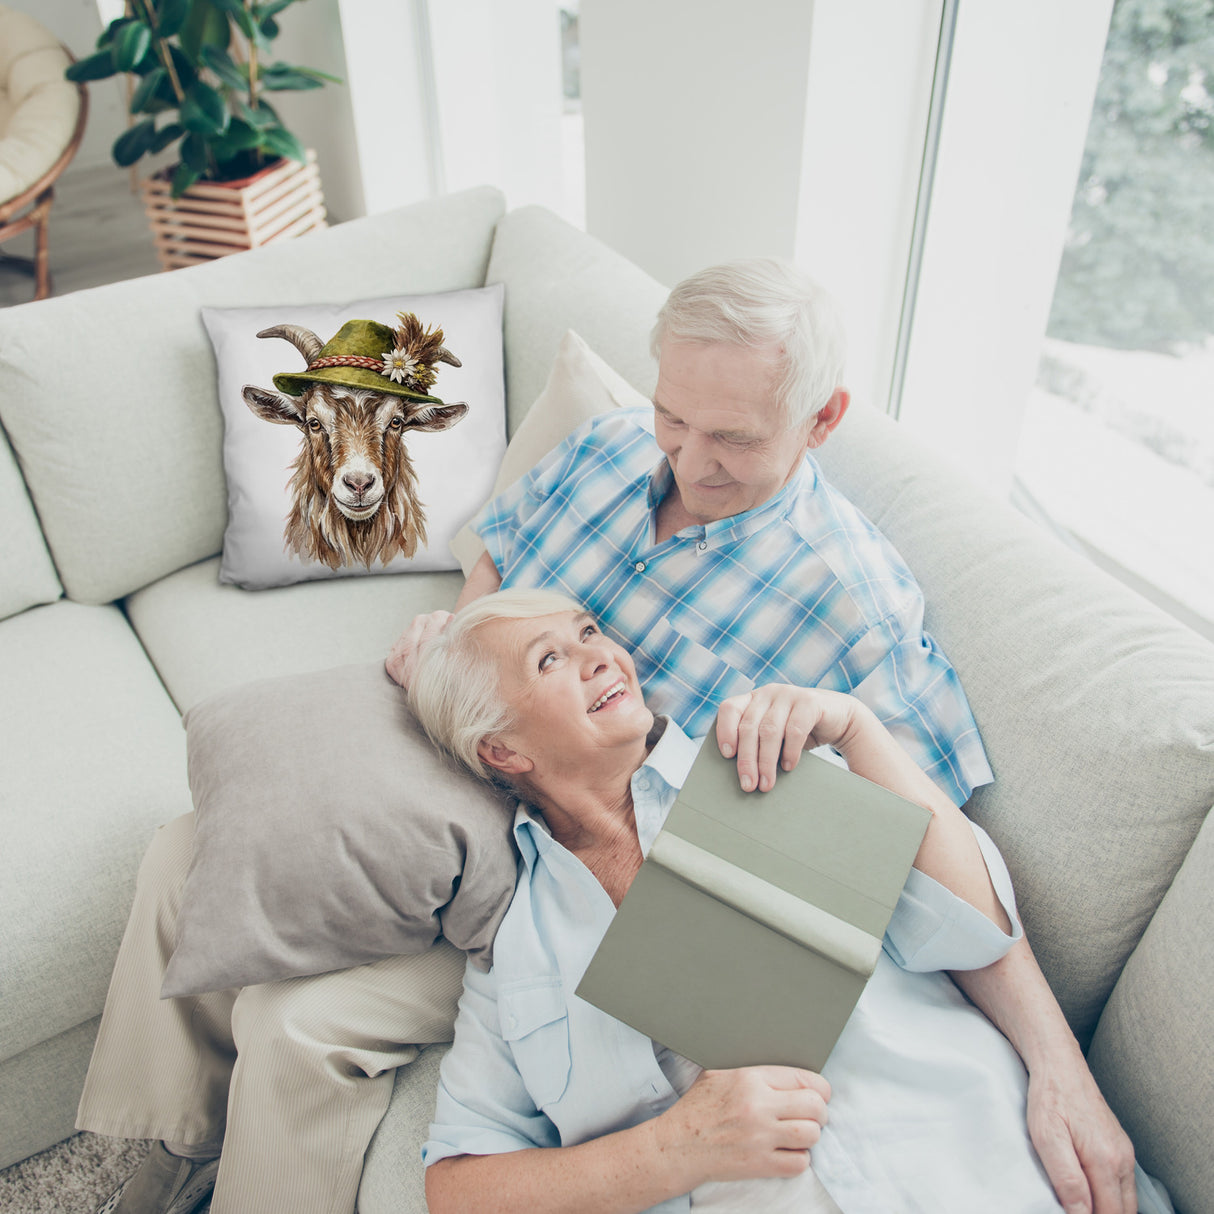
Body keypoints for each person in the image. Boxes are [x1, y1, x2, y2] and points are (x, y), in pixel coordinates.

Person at [79, 260, 1132, 1214]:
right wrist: (458, 640)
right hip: (485, 744)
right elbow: (497, 560)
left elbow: (927, 856)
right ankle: (160, 1148)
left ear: (820, 420)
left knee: (300, 1023)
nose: (687, 458)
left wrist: (1058, 1064)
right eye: (675, 416)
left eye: (732, 438)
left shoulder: (854, 608)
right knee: (192, 846)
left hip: (575, 850)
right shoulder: (608, 447)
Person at [407, 589, 1158, 1214]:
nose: (600, 655)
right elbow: (458, 1187)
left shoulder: (762, 762)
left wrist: (858, 731)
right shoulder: (516, 952)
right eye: (550, 659)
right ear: (501, 750)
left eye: (589, 632)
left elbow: (973, 929)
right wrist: (675, 1149)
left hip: (987, 1166)